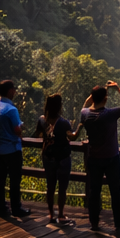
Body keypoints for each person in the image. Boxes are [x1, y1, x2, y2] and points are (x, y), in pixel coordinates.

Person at [79, 80, 120, 233]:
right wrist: (118, 89)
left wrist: (95, 94)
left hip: (94, 158)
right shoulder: (110, 114)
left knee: (94, 191)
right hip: (111, 158)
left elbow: (85, 104)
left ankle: (94, 222)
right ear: (105, 99)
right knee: (115, 190)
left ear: (93, 97)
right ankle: (118, 221)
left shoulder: (85, 114)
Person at [0, 80, 30, 219]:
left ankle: (1, 207)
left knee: (0, 179)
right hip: (12, 150)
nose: (15, 92)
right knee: (14, 180)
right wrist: (21, 130)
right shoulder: (11, 109)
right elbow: (17, 129)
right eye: (14, 90)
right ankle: (16, 208)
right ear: (10, 91)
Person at [34, 93, 75, 225]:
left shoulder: (42, 120)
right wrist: (79, 127)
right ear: (59, 107)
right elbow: (71, 137)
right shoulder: (64, 123)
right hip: (62, 158)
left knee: (50, 186)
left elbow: (37, 135)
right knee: (62, 188)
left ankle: (51, 214)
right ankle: (61, 215)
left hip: (48, 157)